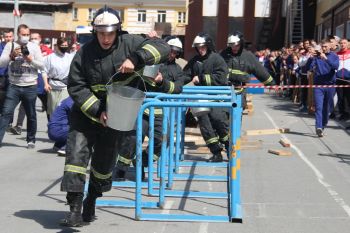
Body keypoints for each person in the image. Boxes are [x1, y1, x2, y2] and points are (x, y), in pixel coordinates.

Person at [60, 6, 170, 227]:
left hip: (117, 117)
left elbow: (161, 48)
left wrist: (137, 58)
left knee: (103, 165)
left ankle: (91, 199)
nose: (106, 38)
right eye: (101, 33)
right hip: (87, 115)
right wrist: (97, 110)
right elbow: (77, 86)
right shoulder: (85, 53)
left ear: (118, 31)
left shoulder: (130, 43)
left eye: (110, 33)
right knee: (75, 159)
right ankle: (74, 208)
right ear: (95, 32)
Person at [114, 35, 186, 180]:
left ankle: (142, 162)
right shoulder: (151, 60)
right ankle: (121, 168)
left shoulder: (177, 69)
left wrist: (161, 82)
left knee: (161, 141)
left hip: (159, 111)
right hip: (140, 106)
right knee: (133, 138)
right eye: (171, 50)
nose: (172, 54)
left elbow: (177, 88)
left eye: (176, 52)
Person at [183, 32, 229, 162]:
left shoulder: (217, 59)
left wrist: (201, 78)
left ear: (208, 45)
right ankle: (216, 153)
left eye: (202, 46)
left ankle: (230, 149)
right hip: (201, 99)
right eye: (198, 47)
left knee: (220, 123)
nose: (200, 49)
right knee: (205, 127)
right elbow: (185, 75)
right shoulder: (195, 60)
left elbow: (221, 79)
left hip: (216, 98)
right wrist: (173, 84)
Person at [0, 24, 44, 148]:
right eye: (23, 34)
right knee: (6, 112)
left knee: (31, 114)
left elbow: (41, 65)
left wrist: (30, 59)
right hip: (14, 85)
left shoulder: (34, 47)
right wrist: (11, 55)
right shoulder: (10, 45)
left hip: (30, 86)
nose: (25, 37)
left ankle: (31, 139)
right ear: (18, 34)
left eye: (27, 35)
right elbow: (1, 63)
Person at [220, 31, 275, 109]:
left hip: (240, 92)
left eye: (236, 45)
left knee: (236, 116)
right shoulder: (223, 54)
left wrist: (271, 83)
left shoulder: (248, 56)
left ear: (241, 44)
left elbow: (260, 70)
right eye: (231, 45)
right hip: (224, 91)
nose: (234, 48)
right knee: (223, 116)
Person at [306, 40, 339, 137]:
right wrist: (311, 59)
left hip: (330, 85)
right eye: (322, 47)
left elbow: (336, 66)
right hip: (319, 85)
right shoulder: (317, 56)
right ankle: (318, 127)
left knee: (326, 108)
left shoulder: (334, 56)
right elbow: (310, 68)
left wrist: (326, 59)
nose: (324, 48)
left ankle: (323, 124)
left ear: (330, 47)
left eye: (325, 46)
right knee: (319, 107)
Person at [42, 37, 74, 118]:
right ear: (58, 46)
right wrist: (46, 84)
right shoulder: (50, 57)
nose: (64, 47)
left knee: (63, 109)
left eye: (66, 45)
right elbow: (44, 71)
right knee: (53, 111)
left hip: (65, 87)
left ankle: (63, 128)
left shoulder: (70, 57)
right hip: (53, 87)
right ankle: (53, 127)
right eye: (62, 45)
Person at [335, 38, 350, 121]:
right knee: (340, 97)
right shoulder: (337, 54)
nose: (343, 45)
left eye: (344, 43)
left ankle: (348, 114)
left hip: (348, 79)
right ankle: (342, 113)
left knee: (348, 97)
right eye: (341, 43)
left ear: (348, 44)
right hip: (339, 78)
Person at [0, 29, 14, 111]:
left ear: (13, 37)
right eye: (6, 37)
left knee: (10, 100)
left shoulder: (17, 47)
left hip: (13, 77)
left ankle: (9, 122)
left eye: (10, 36)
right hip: (1, 77)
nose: (8, 38)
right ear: (3, 37)